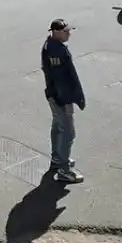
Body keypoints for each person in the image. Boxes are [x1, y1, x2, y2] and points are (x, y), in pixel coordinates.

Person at [41, 18, 85, 184]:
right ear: (56, 32)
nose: (69, 34)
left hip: (53, 95)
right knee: (68, 132)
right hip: (60, 97)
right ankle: (64, 170)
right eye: (66, 31)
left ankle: (57, 159)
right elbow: (61, 80)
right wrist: (67, 101)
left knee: (58, 126)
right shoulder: (56, 51)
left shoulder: (50, 46)